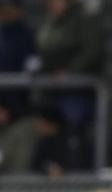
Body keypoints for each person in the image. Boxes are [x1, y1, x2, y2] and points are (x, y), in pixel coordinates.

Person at [35, 0, 103, 171]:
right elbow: (43, 49)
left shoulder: (84, 18)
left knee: (74, 124)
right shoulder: (50, 22)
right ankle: (49, 168)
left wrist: (70, 71)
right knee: (40, 121)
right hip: (53, 90)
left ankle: (78, 170)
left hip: (79, 90)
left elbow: (92, 52)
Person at [0, 0, 36, 119]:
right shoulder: (2, 32)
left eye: (9, 8)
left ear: (19, 11)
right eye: (3, 8)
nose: (5, 12)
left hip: (16, 97)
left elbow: (32, 64)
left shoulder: (25, 34)